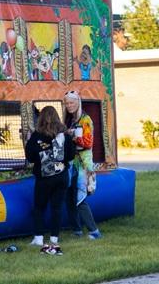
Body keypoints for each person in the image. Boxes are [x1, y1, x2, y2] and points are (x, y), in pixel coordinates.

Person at [25, 106, 75, 255]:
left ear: (41, 119)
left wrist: (28, 141)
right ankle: (54, 238)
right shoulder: (64, 135)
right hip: (61, 177)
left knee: (39, 207)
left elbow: (30, 157)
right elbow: (71, 155)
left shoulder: (37, 135)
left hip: (44, 178)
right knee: (57, 208)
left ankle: (39, 237)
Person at [63, 91, 102, 239]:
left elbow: (87, 143)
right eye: (67, 103)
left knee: (79, 198)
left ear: (78, 102)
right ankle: (77, 230)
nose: (69, 105)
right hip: (71, 162)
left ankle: (94, 231)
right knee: (69, 196)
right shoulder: (70, 120)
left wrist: (71, 135)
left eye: (71, 102)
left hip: (82, 164)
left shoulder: (85, 120)